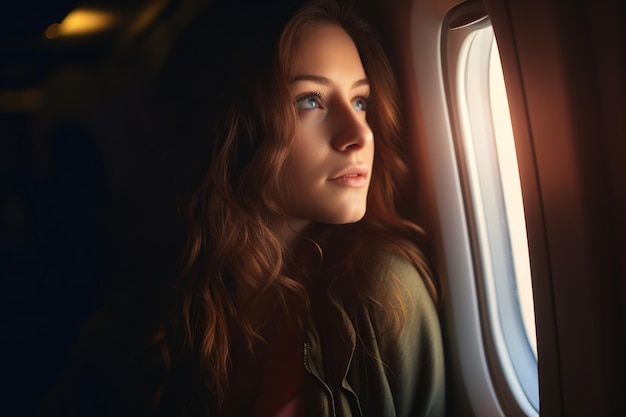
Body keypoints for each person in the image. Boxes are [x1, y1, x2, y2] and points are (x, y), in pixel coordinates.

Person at [41, 0, 445, 416]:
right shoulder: (148, 312)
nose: (358, 133)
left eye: (361, 101)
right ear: (231, 127)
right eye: (311, 100)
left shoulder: (382, 291)